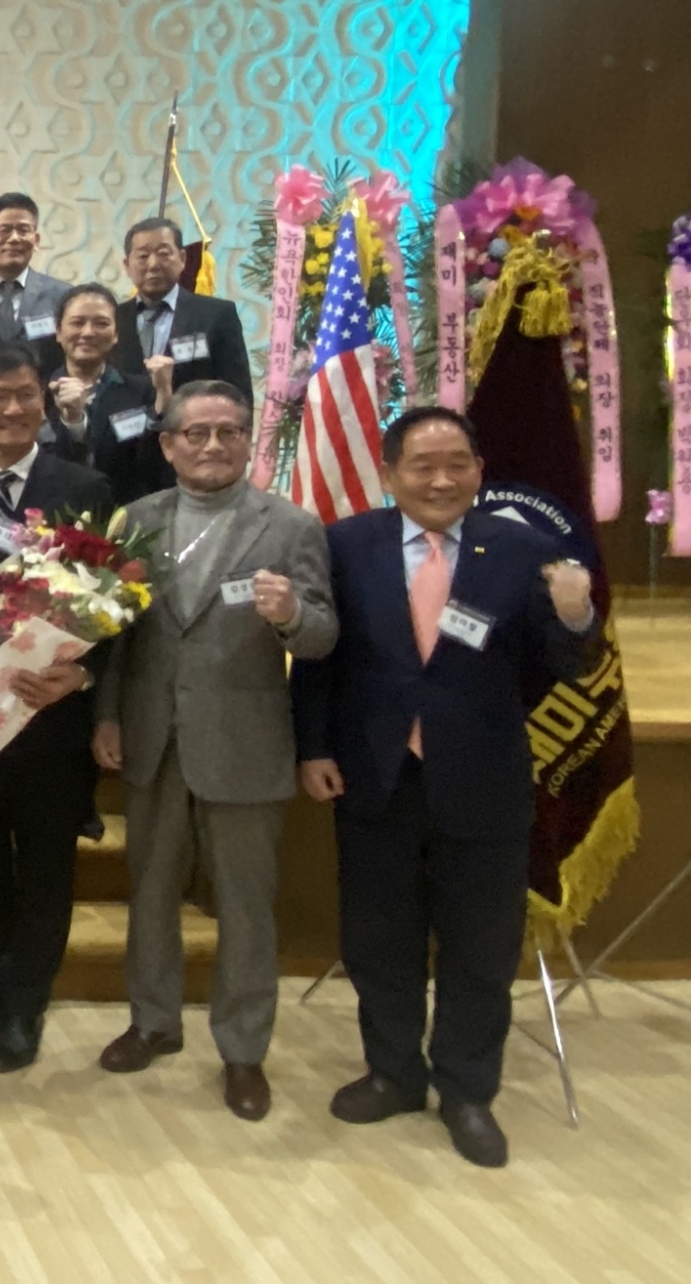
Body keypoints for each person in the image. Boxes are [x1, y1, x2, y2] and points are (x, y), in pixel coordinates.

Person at [291, 408, 601, 1169]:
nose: (441, 480)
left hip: (483, 779)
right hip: (375, 775)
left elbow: (562, 665)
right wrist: (313, 748)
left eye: (457, 463)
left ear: (478, 471)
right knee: (378, 941)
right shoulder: (346, 544)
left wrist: (576, 616)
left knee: (480, 948)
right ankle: (393, 1074)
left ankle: (467, 1091)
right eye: (422, 465)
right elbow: (321, 661)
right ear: (389, 473)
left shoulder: (523, 549)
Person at [91, 381, 336, 1121]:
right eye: (195, 433)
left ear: (248, 440)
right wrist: (107, 716)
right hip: (152, 736)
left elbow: (324, 635)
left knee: (245, 905)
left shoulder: (291, 526)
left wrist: (291, 616)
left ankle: (243, 1050)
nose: (212, 445)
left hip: (246, 743)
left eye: (229, 431)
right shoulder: (135, 521)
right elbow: (113, 634)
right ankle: (153, 1021)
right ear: (168, 445)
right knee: (151, 892)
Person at [0, 345, 114, 1072]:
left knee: (45, 866)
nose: (12, 409)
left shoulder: (86, 487)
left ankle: (24, 1007)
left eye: (25, 395)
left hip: (52, 716)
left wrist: (84, 674)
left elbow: (118, 601)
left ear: (45, 402)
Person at [45, 282, 172, 504]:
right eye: (77, 322)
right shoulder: (38, 393)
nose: (88, 332)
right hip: (55, 516)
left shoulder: (142, 390)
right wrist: (73, 422)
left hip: (127, 513)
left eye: (101, 323)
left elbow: (155, 465)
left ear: (115, 334)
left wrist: (164, 397)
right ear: (58, 331)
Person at [110, 217, 253, 409]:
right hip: (125, 427)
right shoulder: (113, 319)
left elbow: (238, 395)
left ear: (183, 259)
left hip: (195, 425)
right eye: (143, 256)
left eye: (163, 254)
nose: (153, 264)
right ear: (127, 265)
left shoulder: (217, 315)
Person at [0, 193, 70, 367]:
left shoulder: (62, 296)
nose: (14, 238)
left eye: (23, 230)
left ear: (36, 240)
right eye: (4, 230)